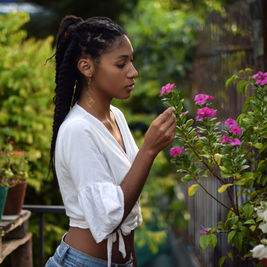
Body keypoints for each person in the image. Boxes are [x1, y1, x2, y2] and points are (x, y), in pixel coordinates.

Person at [46, 15, 176, 267]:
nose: (133, 72)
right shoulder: (77, 130)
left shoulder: (117, 116)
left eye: (132, 61)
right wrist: (148, 150)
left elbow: (127, 212)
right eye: (121, 64)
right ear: (87, 67)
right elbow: (109, 217)